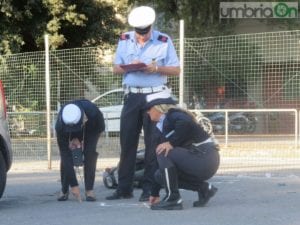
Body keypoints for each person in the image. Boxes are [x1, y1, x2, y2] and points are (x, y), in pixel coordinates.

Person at [106, 6, 180, 202]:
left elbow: (177, 69)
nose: (141, 37)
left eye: (145, 33)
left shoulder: (164, 40)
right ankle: (124, 188)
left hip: (155, 97)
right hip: (132, 96)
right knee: (127, 143)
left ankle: (149, 189)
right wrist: (130, 67)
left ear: (151, 27)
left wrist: (157, 68)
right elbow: (115, 68)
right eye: (138, 33)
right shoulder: (124, 39)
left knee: (152, 144)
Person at [144, 90, 220, 210]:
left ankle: (173, 199)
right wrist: (154, 193)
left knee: (163, 150)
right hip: (196, 160)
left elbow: (185, 122)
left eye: (149, 108)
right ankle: (204, 189)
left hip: (205, 158)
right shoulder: (161, 127)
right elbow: (157, 162)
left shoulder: (172, 114)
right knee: (159, 175)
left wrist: (171, 142)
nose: (147, 112)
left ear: (158, 107)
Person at [55, 99, 105, 202]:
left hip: (91, 129)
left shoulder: (93, 113)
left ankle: (89, 190)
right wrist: (74, 185)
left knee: (89, 153)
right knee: (67, 157)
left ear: (84, 118)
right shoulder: (60, 125)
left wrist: (83, 140)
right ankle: (64, 190)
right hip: (68, 130)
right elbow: (65, 155)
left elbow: (100, 127)